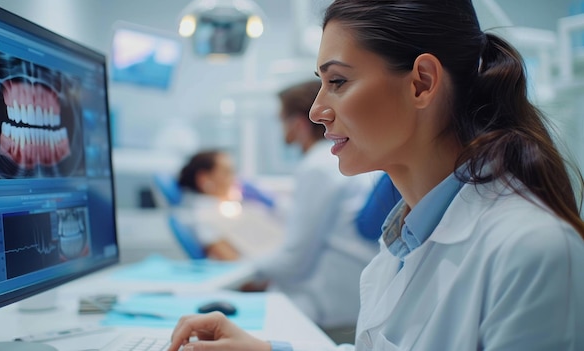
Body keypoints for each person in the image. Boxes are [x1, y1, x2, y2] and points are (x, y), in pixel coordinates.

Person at [167, 0, 584, 350]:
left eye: (338, 81)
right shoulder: (403, 241)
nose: (316, 111)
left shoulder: (533, 251)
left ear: (421, 83)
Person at [241, 79, 386, 340]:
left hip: (327, 312)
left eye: (281, 120)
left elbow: (292, 262)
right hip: (353, 299)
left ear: (297, 124)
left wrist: (239, 269)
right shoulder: (335, 161)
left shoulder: (317, 166)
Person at [176, 149, 284, 260]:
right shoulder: (203, 217)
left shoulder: (230, 207)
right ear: (204, 179)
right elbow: (233, 260)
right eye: (227, 172)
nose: (235, 179)